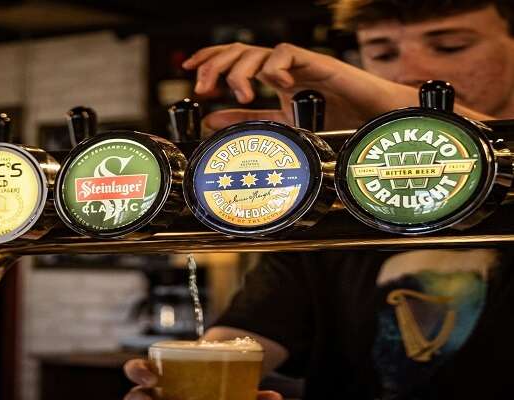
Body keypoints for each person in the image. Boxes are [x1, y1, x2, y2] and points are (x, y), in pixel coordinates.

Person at [124, 1, 514, 399]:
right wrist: (183, 383)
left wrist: (393, 104)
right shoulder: (339, 203)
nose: (410, 73)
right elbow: (251, 334)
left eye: (450, 46)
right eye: (382, 54)